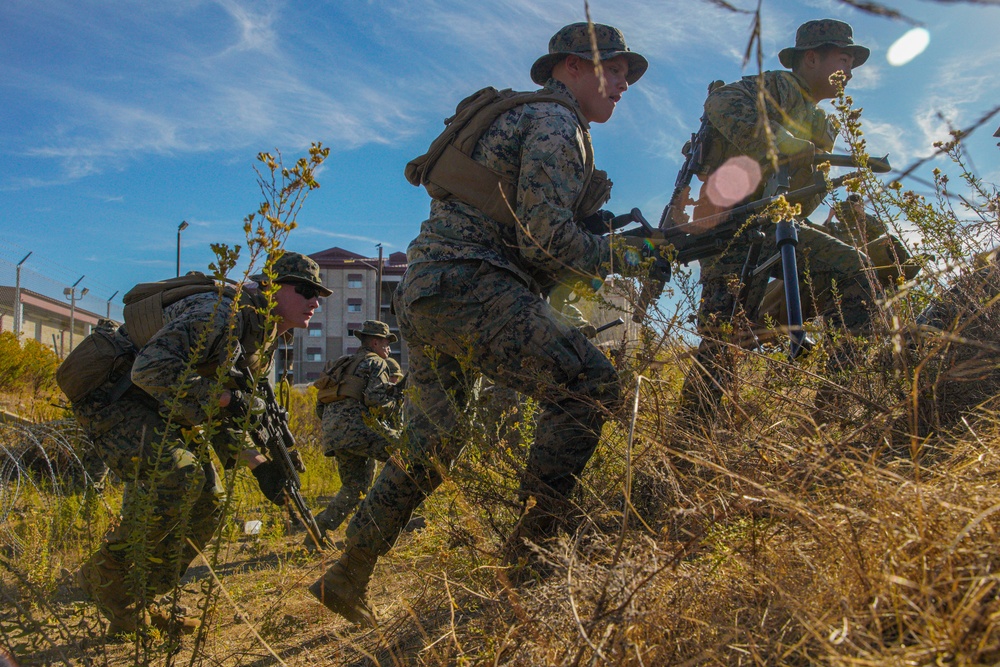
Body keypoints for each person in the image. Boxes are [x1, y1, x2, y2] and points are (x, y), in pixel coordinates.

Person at [310, 21, 647, 626]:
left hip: (428, 290)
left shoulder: (528, 117)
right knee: (588, 383)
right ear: (570, 67)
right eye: (614, 69)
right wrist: (633, 255)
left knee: (432, 441)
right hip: (471, 283)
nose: (623, 84)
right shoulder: (557, 121)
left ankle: (348, 572)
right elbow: (547, 241)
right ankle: (533, 559)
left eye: (626, 73)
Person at [71, 251, 330, 638]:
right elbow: (150, 368)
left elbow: (226, 409)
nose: (315, 302)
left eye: (318, 295)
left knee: (209, 501)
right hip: (115, 397)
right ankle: (106, 578)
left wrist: (259, 464)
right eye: (305, 291)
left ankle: (139, 598)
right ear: (271, 288)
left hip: (163, 406)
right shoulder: (221, 314)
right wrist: (225, 399)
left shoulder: (263, 338)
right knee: (180, 477)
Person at [677, 18, 881, 422]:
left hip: (778, 224)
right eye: (843, 59)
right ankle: (688, 435)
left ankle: (831, 413)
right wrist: (784, 142)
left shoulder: (822, 120)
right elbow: (721, 104)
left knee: (858, 271)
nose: (850, 70)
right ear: (812, 58)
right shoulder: (776, 86)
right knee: (725, 340)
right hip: (731, 227)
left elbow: (805, 189)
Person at [308, 320, 400, 548]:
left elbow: (320, 406)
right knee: (408, 457)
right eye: (386, 343)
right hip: (360, 430)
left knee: (353, 488)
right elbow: (375, 401)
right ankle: (396, 521)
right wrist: (397, 401)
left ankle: (316, 532)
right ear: (375, 342)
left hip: (334, 434)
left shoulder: (341, 363)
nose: (389, 349)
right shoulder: (377, 363)